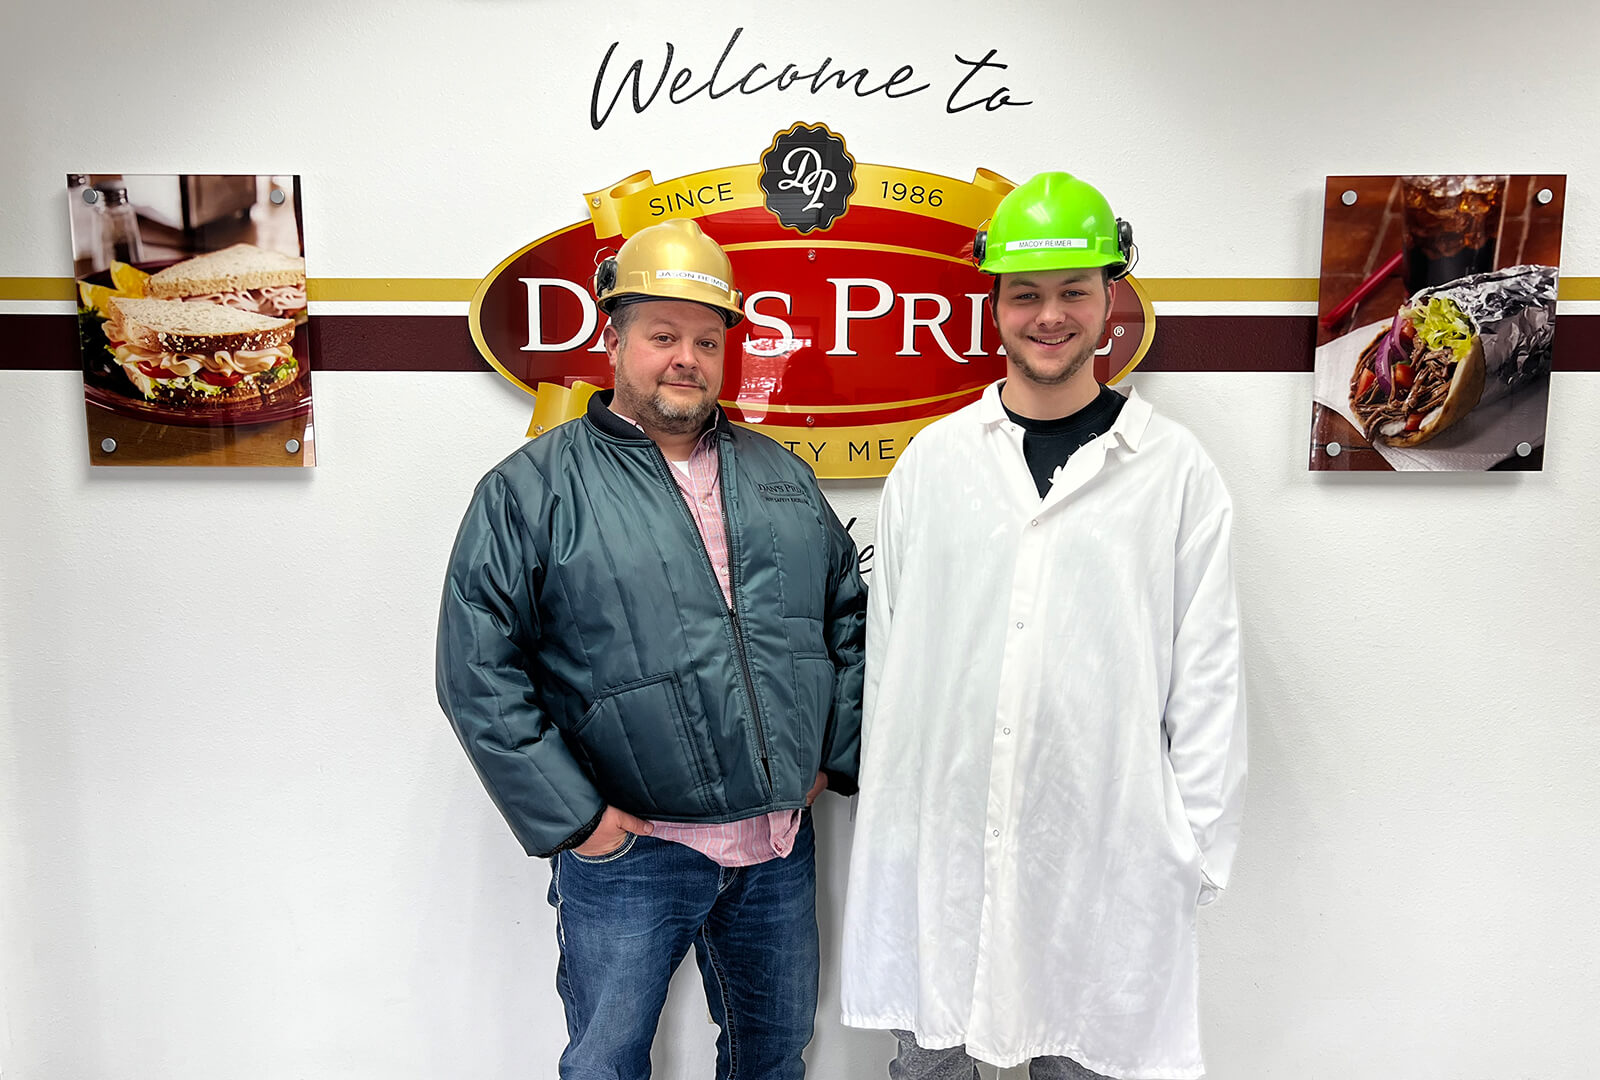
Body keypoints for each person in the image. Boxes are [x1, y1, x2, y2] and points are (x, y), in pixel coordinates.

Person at [436, 217, 866, 1080]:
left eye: (707, 340)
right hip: (633, 852)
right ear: (614, 335)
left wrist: (830, 756)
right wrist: (580, 824)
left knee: (775, 1056)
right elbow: (477, 670)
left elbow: (848, 617)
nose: (687, 358)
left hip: (777, 847)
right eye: (663, 335)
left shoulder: (780, 476)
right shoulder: (533, 488)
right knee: (607, 1064)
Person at [840, 172, 1247, 1080]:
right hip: (941, 862)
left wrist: (1192, 854)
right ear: (995, 305)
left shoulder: (1174, 473)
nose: (1050, 316)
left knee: (1086, 1054)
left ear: (1112, 300)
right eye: (1027, 294)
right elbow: (891, 667)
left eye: (1074, 291)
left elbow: (1209, 676)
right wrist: (895, 839)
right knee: (935, 1054)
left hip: (1105, 863)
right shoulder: (933, 465)